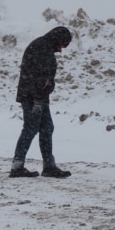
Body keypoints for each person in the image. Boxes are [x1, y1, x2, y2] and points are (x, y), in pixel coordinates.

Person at [10, 26, 73, 178]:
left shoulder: (44, 46)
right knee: (31, 128)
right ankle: (17, 167)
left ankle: (49, 166)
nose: (62, 48)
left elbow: (44, 77)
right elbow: (39, 77)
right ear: (58, 38)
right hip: (33, 97)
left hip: (37, 96)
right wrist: (38, 98)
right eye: (63, 44)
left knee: (46, 128)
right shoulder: (41, 47)